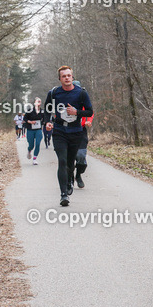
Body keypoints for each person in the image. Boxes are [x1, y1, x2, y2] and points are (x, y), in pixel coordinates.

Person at [43, 67, 93, 206]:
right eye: (64, 76)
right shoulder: (53, 93)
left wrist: (76, 112)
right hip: (59, 131)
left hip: (76, 131)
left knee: (70, 163)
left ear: (72, 77)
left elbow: (89, 112)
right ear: (60, 78)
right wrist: (47, 122)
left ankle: (70, 178)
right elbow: (47, 110)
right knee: (63, 161)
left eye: (69, 75)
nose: (66, 78)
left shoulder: (81, 93)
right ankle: (63, 194)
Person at [24, 98, 44, 164]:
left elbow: (45, 119)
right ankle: (29, 150)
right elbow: (25, 118)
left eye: (40, 101)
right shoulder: (30, 110)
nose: (39, 103)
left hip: (38, 130)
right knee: (31, 145)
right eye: (37, 101)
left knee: (38, 144)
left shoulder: (42, 111)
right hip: (30, 130)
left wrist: (46, 123)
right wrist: (30, 122)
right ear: (35, 103)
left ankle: (34, 159)